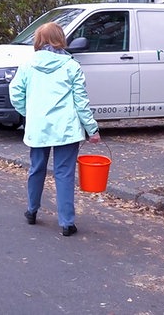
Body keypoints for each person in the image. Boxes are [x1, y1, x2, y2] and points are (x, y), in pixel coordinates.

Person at [9, 22, 101, 237]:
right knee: (64, 174)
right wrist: (92, 129)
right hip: (66, 129)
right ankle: (67, 223)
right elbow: (81, 101)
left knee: (36, 169)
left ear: (38, 41)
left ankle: (31, 211)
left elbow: (15, 94)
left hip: (38, 127)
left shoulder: (27, 65)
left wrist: (29, 112)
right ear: (61, 39)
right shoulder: (71, 66)